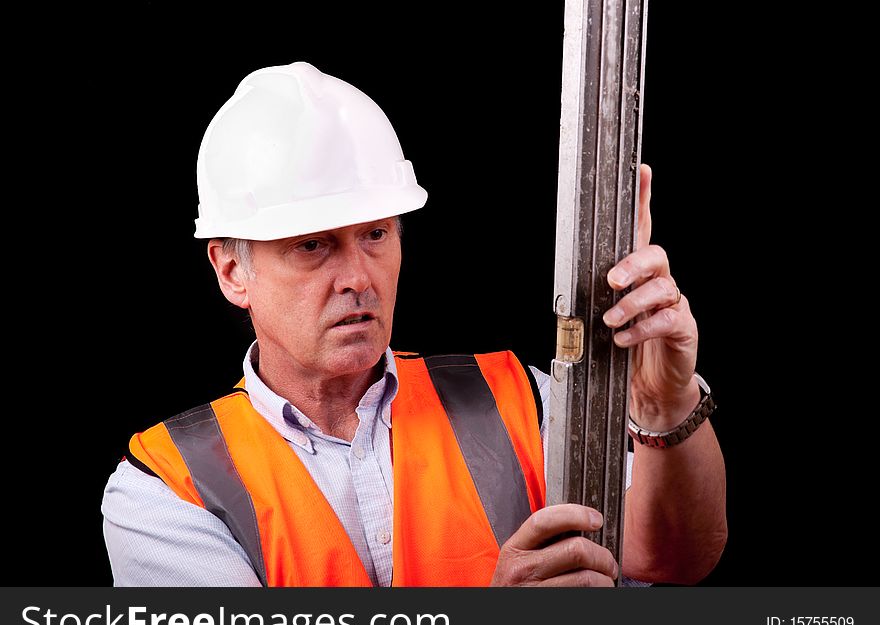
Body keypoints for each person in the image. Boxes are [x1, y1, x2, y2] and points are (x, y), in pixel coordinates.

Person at [101, 62, 727, 587]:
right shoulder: (168, 488)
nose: (358, 277)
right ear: (233, 271)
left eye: (375, 234)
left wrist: (667, 404)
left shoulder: (522, 400)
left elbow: (671, 560)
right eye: (313, 246)